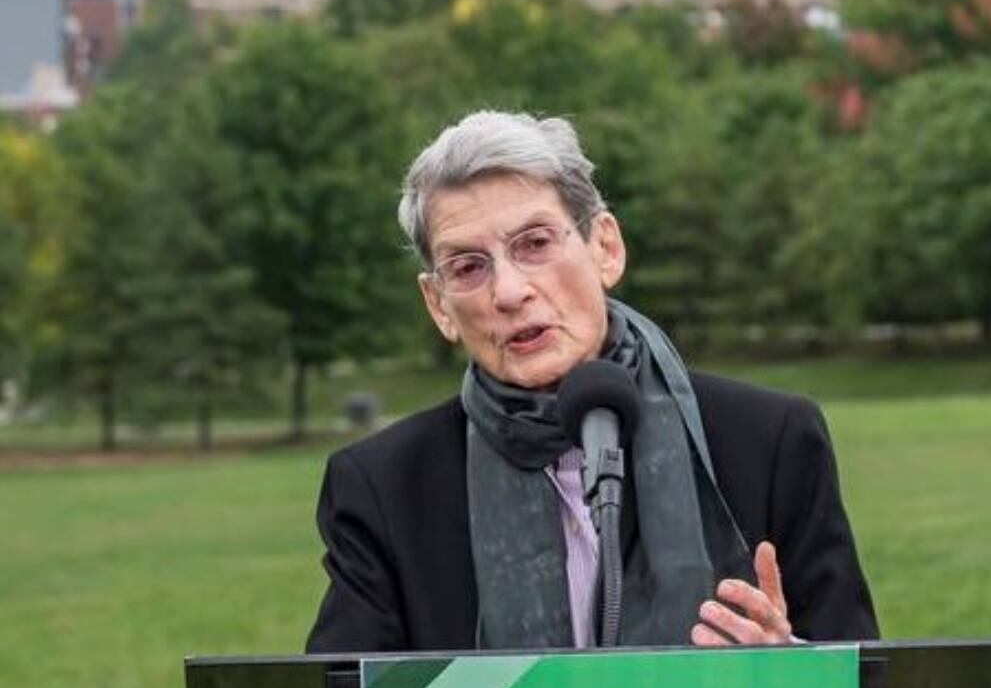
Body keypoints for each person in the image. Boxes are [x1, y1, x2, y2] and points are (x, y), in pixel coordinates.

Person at [306, 110, 877, 654]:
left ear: (605, 247)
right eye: (468, 267)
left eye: (534, 244)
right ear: (439, 305)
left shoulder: (768, 442)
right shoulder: (383, 488)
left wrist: (794, 666)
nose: (508, 292)